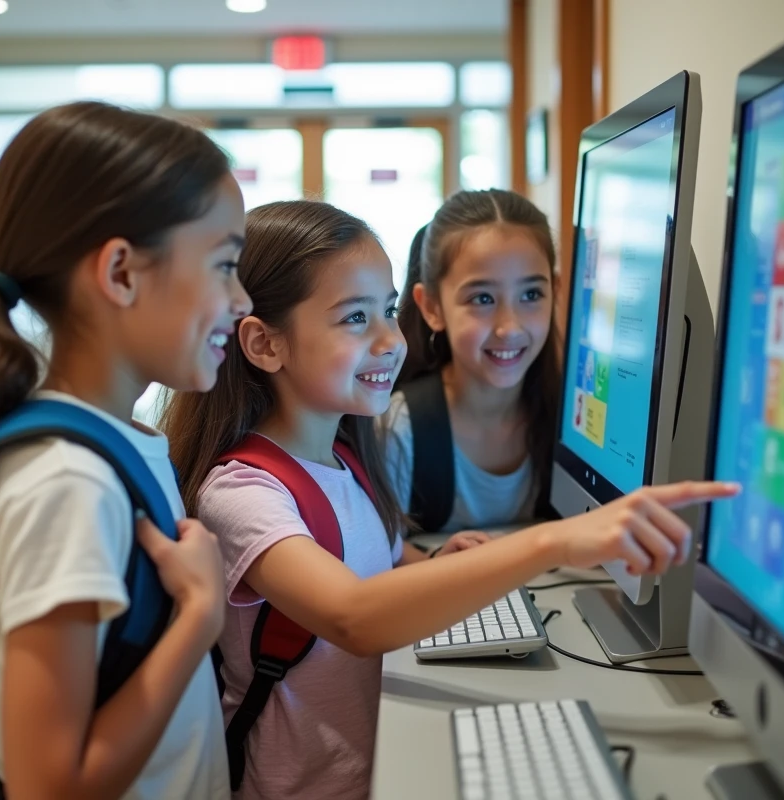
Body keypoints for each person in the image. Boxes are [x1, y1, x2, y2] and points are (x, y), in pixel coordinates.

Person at [161, 199, 738, 800]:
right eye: (355, 318)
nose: (391, 339)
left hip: (379, 771)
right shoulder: (242, 492)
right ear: (263, 344)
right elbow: (352, 615)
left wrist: (438, 566)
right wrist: (552, 542)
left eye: (387, 310)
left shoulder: (342, 457)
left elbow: (382, 559)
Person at [0, 102, 251, 799]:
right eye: (225, 264)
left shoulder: (108, 446)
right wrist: (200, 617)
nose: (243, 298)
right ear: (122, 273)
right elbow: (50, 786)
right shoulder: (68, 484)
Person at [386, 190, 564, 534]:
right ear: (432, 307)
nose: (509, 327)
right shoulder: (400, 432)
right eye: (482, 298)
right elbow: (377, 557)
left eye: (531, 294)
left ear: (554, 291)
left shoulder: (573, 421)